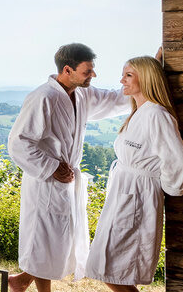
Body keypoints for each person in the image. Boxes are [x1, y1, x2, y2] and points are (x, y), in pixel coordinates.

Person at [7, 43, 130, 292]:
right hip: (44, 182)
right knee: (43, 240)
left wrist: (155, 69)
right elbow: (18, 143)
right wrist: (52, 167)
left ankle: (19, 282)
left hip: (67, 179)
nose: (93, 76)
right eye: (87, 71)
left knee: (57, 240)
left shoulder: (83, 94)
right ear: (67, 69)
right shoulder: (43, 97)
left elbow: (115, 99)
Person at [85, 56, 183, 291]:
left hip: (138, 197)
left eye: (129, 75)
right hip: (125, 194)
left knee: (116, 271)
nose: (121, 80)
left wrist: (163, 187)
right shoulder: (139, 111)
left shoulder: (156, 115)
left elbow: (180, 163)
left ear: (147, 79)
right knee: (110, 267)